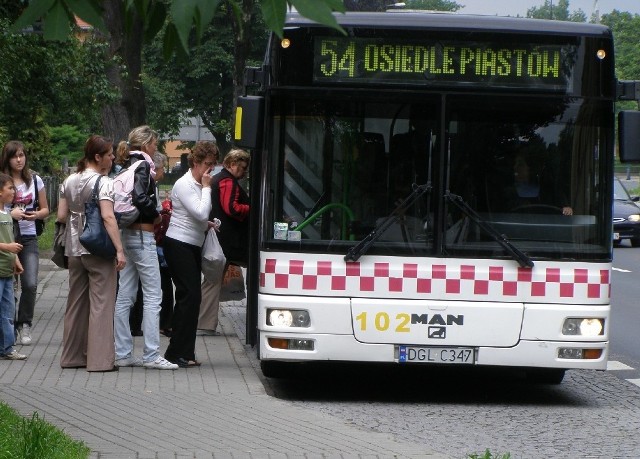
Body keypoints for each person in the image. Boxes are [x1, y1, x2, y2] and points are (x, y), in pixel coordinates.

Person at [57, 135, 126, 372]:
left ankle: (72, 356)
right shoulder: (104, 182)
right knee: (102, 304)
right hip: (97, 249)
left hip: (74, 248)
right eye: (109, 154)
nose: (113, 157)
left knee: (75, 304)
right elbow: (107, 217)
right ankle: (99, 361)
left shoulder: (69, 180)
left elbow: (61, 216)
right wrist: (119, 249)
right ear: (97, 157)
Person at [112, 126, 177, 370]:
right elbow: (140, 199)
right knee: (153, 295)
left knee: (125, 295)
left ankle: (123, 353)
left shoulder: (126, 166)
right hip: (142, 235)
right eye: (155, 143)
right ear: (147, 144)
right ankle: (151, 354)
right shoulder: (142, 167)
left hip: (127, 234)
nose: (156, 148)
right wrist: (155, 214)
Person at [163, 141, 218, 368]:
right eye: (206, 164)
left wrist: (209, 224)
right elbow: (200, 211)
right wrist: (206, 188)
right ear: (195, 162)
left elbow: (201, 217)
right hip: (179, 244)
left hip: (192, 244)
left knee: (191, 299)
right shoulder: (184, 184)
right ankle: (176, 353)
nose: (209, 170)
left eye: (213, 165)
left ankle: (186, 351)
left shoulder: (198, 183)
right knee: (189, 296)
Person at [1, 141, 49, 346]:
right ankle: (8, 326)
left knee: (30, 283)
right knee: (9, 286)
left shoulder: (35, 180)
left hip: (28, 236)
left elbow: (46, 209)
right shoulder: (3, 180)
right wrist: (10, 213)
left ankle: (25, 323)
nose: (19, 160)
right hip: (7, 236)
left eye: (22, 155)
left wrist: (35, 215)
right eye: (15, 156)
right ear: (7, 158)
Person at [197, 148, 250, 336]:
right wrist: (251, 209)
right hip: (226, 240)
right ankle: (204, 324)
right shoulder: (227, 180)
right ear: (232, 164)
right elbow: (232, 208)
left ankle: (204, 323)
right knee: (213, 280)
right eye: (242, 168)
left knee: (212, 280)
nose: (243, 172)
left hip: (221, 238)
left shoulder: (220, 179)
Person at [0, 173, 26, 361]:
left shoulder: (7, 215)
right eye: (10, 188)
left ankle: (7, 348)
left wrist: (15, 259)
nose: (13, 191)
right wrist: (8, 248)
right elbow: (7, 243)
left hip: (7, 271)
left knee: (8, 311)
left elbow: (8, 239)